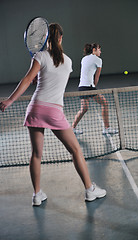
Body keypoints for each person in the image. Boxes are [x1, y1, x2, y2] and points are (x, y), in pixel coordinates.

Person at [0, 23, 106, 206]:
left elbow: (27, 80)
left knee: (36, 155)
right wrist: (38, 76)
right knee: (75, 150)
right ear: (61, 38)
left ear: (46, 39)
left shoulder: (39, 56)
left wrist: (10, 100)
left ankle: (36, 195)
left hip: (35, 107)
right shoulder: (69, 61)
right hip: (54, 111)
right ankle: (90, 190)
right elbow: (54, 78)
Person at [72, 43, 118, 135]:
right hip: (89, 87)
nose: (100, 51)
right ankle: (107, 128)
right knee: (104, 103)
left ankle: (72, 128)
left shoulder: (84, 59)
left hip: (81, 87)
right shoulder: (98, 60)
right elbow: (96, 77)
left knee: (84, 108)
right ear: (94, 50)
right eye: (99, 49)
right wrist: (94, 88)